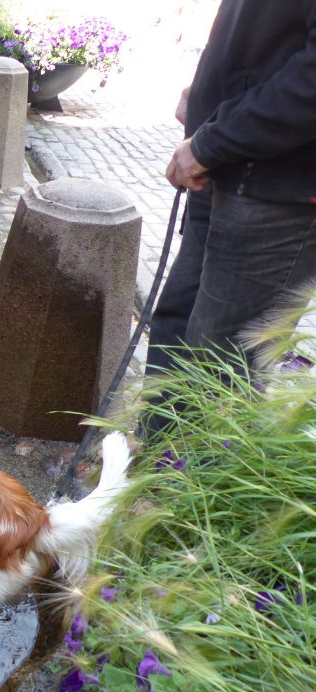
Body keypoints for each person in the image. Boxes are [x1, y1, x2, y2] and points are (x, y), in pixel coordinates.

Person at [145, 0, 316, 434]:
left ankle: (182, 497)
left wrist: (212, 142)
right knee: (177, 325)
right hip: (230, 162)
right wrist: (206, 94)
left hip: (279, 192)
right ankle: (149, 478)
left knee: (218, 370)